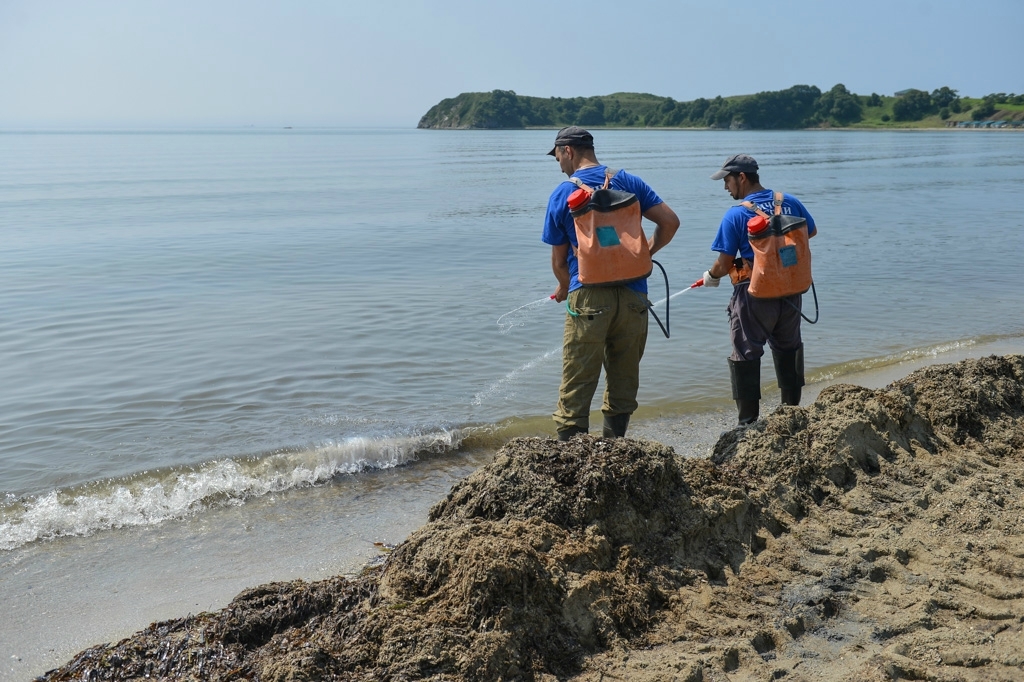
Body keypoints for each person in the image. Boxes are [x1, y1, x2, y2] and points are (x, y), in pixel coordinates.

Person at [542, 126, 680, 440]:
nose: (559, 164)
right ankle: (615, 446)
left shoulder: (563, 193)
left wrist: (563, 287)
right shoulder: (629, 182)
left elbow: (558, 261)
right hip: (634, 297)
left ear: (569, 151)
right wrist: (646, 252)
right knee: (624, 378)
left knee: (578, 379)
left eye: (558, 157)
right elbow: (670, 223)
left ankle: (571, 458)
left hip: (588, 298)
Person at [701, 154, 817, 425]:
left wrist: (711, 276)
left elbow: (724, 261)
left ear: (741, 177)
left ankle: (747, 423)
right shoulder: (789, 201)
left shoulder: (736, 214)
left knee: (745, 354)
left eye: (727, 181)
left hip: (753, 295)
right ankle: (791, 416)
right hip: (790, 292)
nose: (725, 187)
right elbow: (809, 232)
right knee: (789, 348)